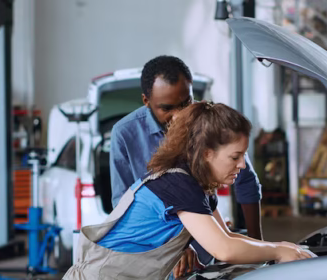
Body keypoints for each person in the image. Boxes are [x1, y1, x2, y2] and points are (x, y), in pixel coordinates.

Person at [63, 102, 312, 280]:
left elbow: (229, 237)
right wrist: (278, 251)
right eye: (235, 156)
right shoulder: (178, 184)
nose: (243, 165)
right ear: (207, 154)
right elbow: (223, 249)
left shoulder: (196, 183)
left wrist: (281, 246)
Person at [109, 55, 262, 276]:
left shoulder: (207, 125)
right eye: (167, 108)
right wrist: (175, 245)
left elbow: (246, 183)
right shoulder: (125, 134)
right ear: (146, 100)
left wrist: (258, 245)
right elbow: (123, 206)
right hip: (156, 252)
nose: (179, 116)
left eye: (185, 103)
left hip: (206, 250)